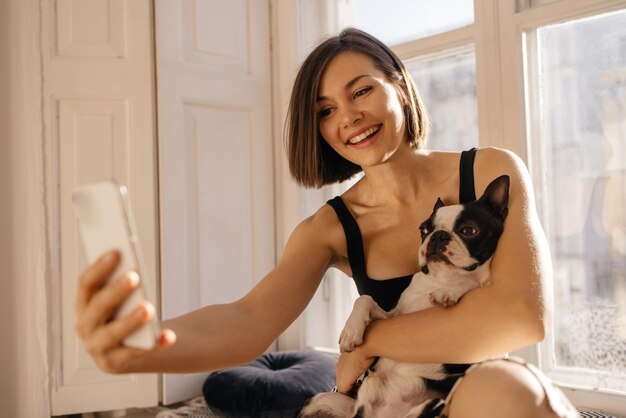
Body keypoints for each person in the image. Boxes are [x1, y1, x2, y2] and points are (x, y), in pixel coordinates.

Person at [75, 28, 578, 417]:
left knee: (506, 386)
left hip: (472, 397)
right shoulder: (329, 227)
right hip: (387, 403)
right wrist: (142, 348)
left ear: (399, 86)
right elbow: (248, 319)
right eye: (325, 110)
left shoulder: (490, 170)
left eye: (361, 91)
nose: (349, 118)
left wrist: (372, 341)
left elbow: (521, 316)